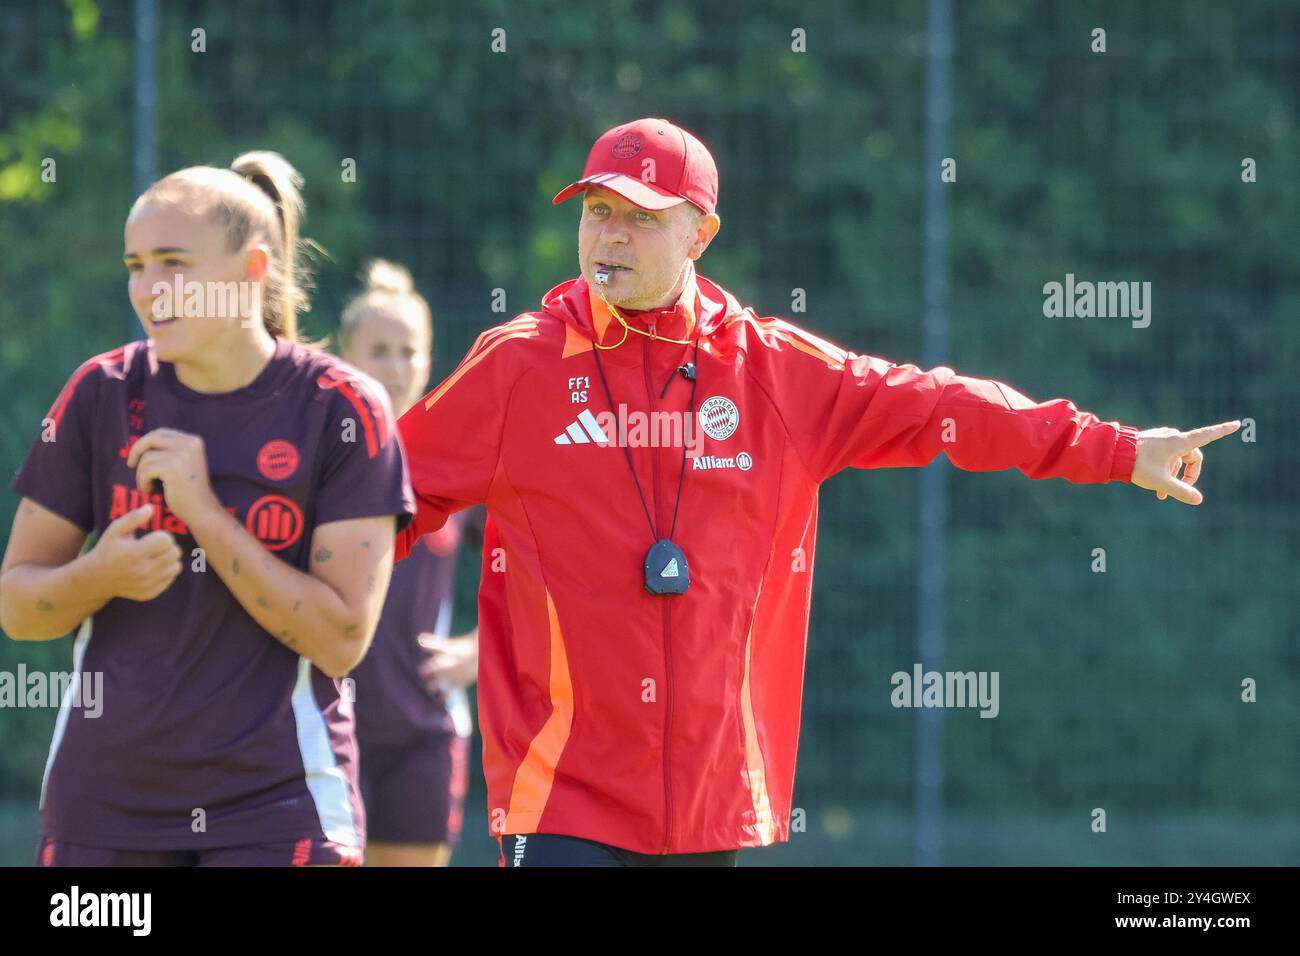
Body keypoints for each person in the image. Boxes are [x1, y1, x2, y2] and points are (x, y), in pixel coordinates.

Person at [394, 117, 1240, 867]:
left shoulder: (774, 374)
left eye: (640, 217)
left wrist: (1116, 449)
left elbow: (941, 406)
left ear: (700, 234)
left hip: (709, 804)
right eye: (597, 210)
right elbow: (381, 494)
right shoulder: (515, 367)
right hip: (560, 800)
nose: (609, 235)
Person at [0, 152, 413, 866]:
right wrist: (99, 575)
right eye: (135, 266)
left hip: (280, 804)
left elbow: (341, 638)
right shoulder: (100, 394)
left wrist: (206, 516)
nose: (148, 289)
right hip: (103, 809)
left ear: (253, 271)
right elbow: (18, 606)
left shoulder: (343, 410)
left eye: (173, 264)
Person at [337, 260, 482, 867]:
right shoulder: (318, 456)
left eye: (409, 351)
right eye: (379, 350)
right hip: (324, 722)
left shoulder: (454, 462)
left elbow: (543, 566)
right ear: (345, 356)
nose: (396, 367)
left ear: (428, 361)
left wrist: (484, 650)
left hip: (423, 731)